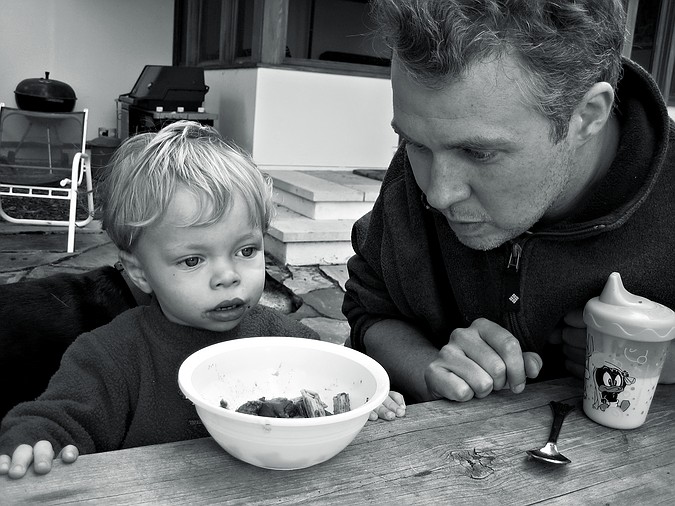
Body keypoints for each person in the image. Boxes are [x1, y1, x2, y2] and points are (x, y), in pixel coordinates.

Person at [0, 121, 405, 480]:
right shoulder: (110, 356)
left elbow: (332, 381)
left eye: (246, 250)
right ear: (139, 271)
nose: (228, 275)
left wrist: (363, 401)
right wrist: (37, 441)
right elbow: (56, 417)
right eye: (193, 260)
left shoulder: (284, 340)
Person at [343, 0, 675, 404]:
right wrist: (426, 367)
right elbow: (370, 307)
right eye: (413, 143)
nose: (437, 193)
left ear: (587, 115)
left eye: (478, 153)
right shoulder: (425, 160)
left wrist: (664, 359)